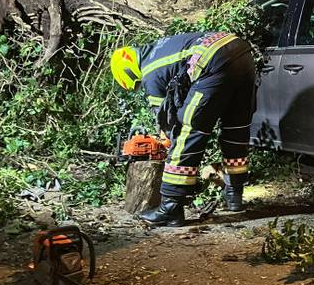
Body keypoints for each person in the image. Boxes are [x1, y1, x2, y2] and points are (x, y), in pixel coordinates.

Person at [110, 31, 256, 226]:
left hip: (212, 58)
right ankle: (234, 196)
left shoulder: (150, 72)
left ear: (129, 71)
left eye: (137, 84)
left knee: (188, 129)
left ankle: (171, 207)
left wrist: (168, 141)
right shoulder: (159, 49)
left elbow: (166, 118)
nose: (141, 86)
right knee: (236, 127)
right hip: (240, 51)